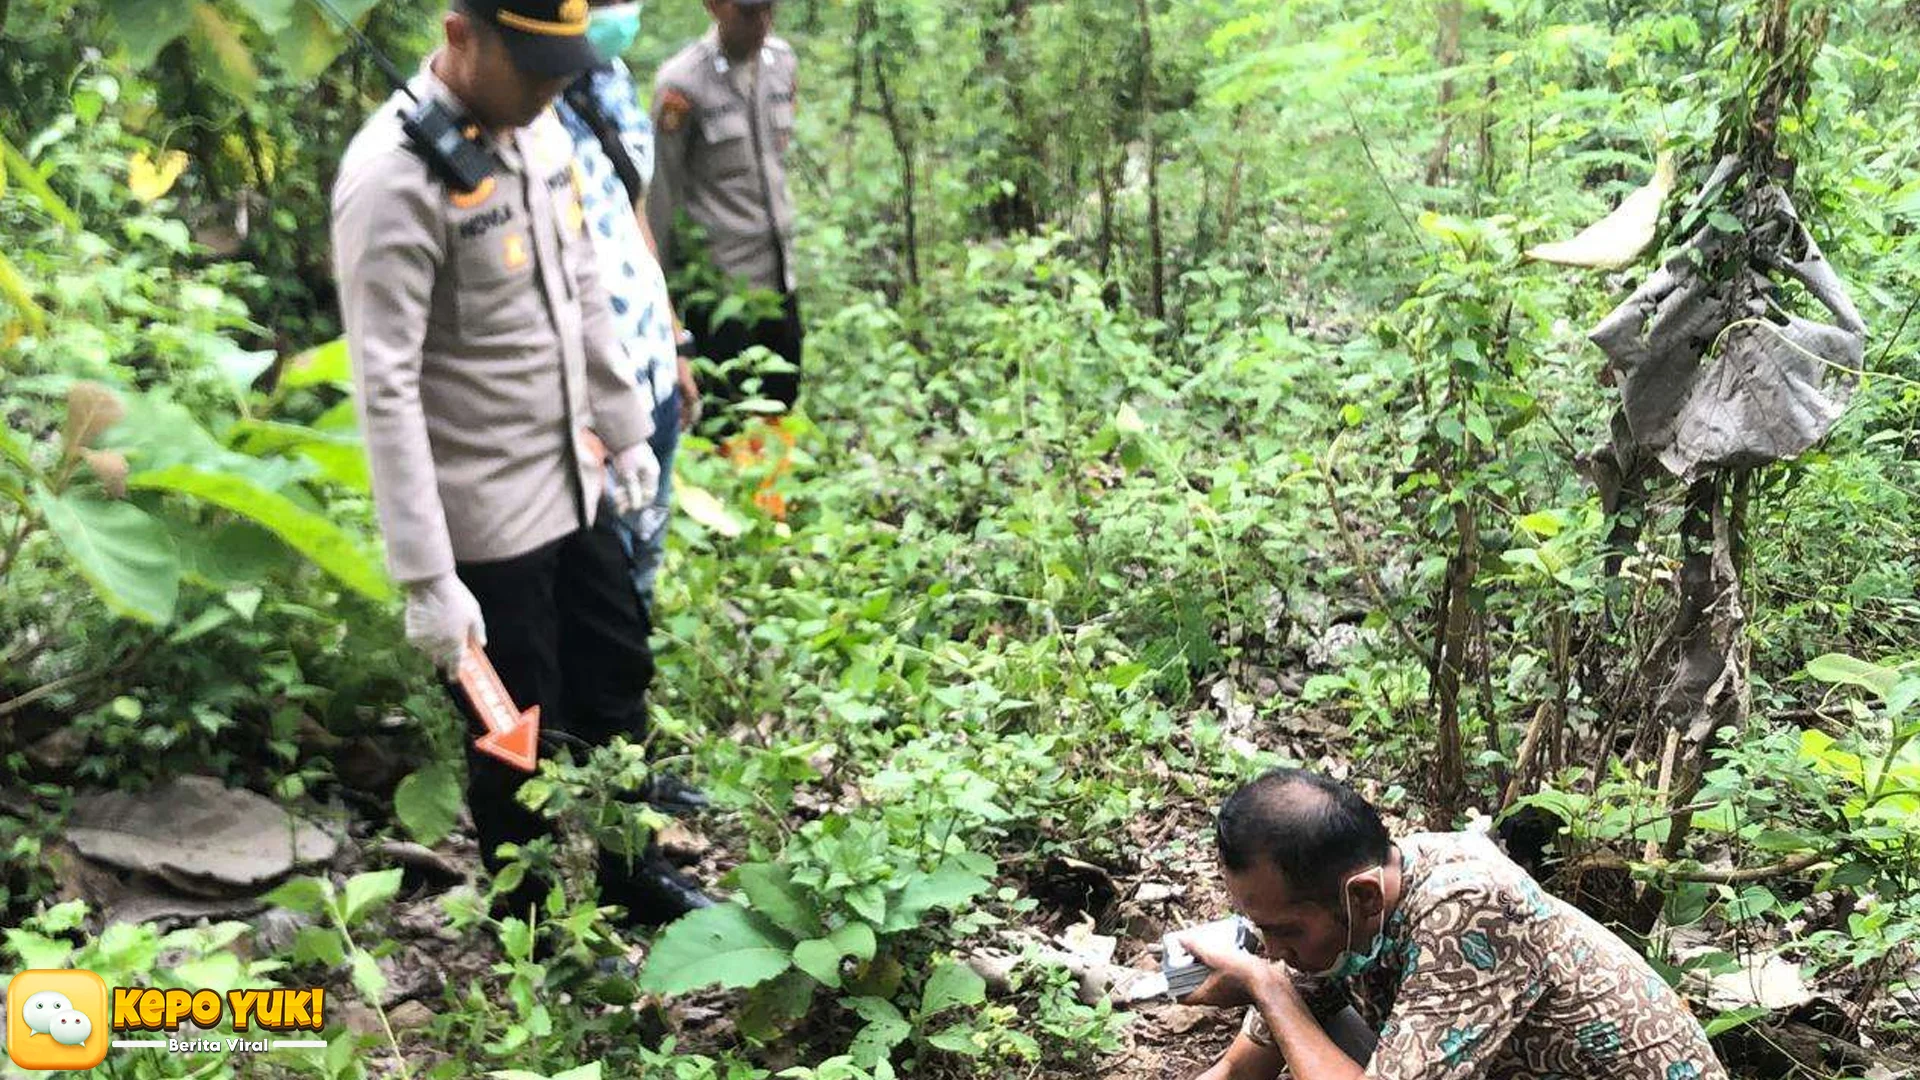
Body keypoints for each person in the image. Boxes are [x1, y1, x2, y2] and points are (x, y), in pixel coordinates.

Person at [330, 0, 711, 924]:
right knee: (514, 731)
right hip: (484, 520)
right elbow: (385, 388)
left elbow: (582, 289)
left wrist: (624, 433)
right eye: (533, 66)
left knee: (618, 673)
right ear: (461, 35)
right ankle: (531, 919)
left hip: (573, 480)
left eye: (561, 66)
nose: (552, 88)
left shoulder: (532, 131)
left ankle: (630, 869)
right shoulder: (392, 178)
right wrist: (426, 576)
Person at [1180, 769, 1729, 1080]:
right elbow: (1237, 1073)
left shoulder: (1471, 905)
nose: (1272, 948)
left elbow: (1279, 999)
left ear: (1364, 896)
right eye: (1261, 929)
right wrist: (1274, 989)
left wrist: (1268, 989)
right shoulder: (1341, 915)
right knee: (1305, 1025)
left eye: (1286, 931)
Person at [554, 0, 704, 625]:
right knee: (595, 586)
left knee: (644, 553)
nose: (622, 14)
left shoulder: (613, 78)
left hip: (650, 366)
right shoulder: (526, 107)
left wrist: (674, 341)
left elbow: (633, 211)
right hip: (589, 389)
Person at [647, 0, 803, 415]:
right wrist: (662, 305)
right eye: (750, 12)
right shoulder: (682, 85)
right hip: (719, 292)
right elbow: (660, 197)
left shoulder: (783, 62)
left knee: (782, 403)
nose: (763, 24)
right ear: (714, 7)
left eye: (770, 10)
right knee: (728, 416)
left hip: (779, 278)